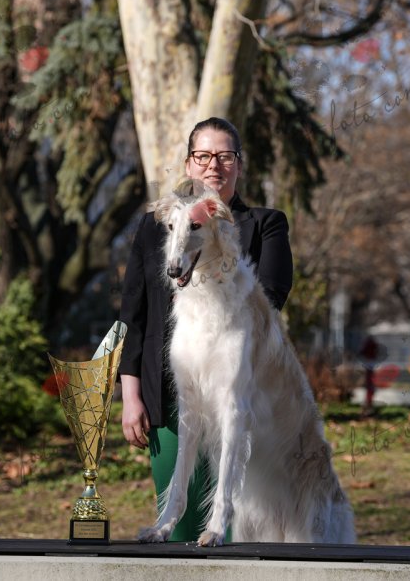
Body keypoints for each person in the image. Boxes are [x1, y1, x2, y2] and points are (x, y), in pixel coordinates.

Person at [118, 116, 294, 541]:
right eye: (203, 155)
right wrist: (130, 395)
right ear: (188, 164)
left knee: (236, 535)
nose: (214, 164)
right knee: (178, 536)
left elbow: (269, 299)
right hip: (167, 399)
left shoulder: (266, 224)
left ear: (239, 165)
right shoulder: (155, 226)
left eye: (225, 156)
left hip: (241, 401)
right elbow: (132, 314)